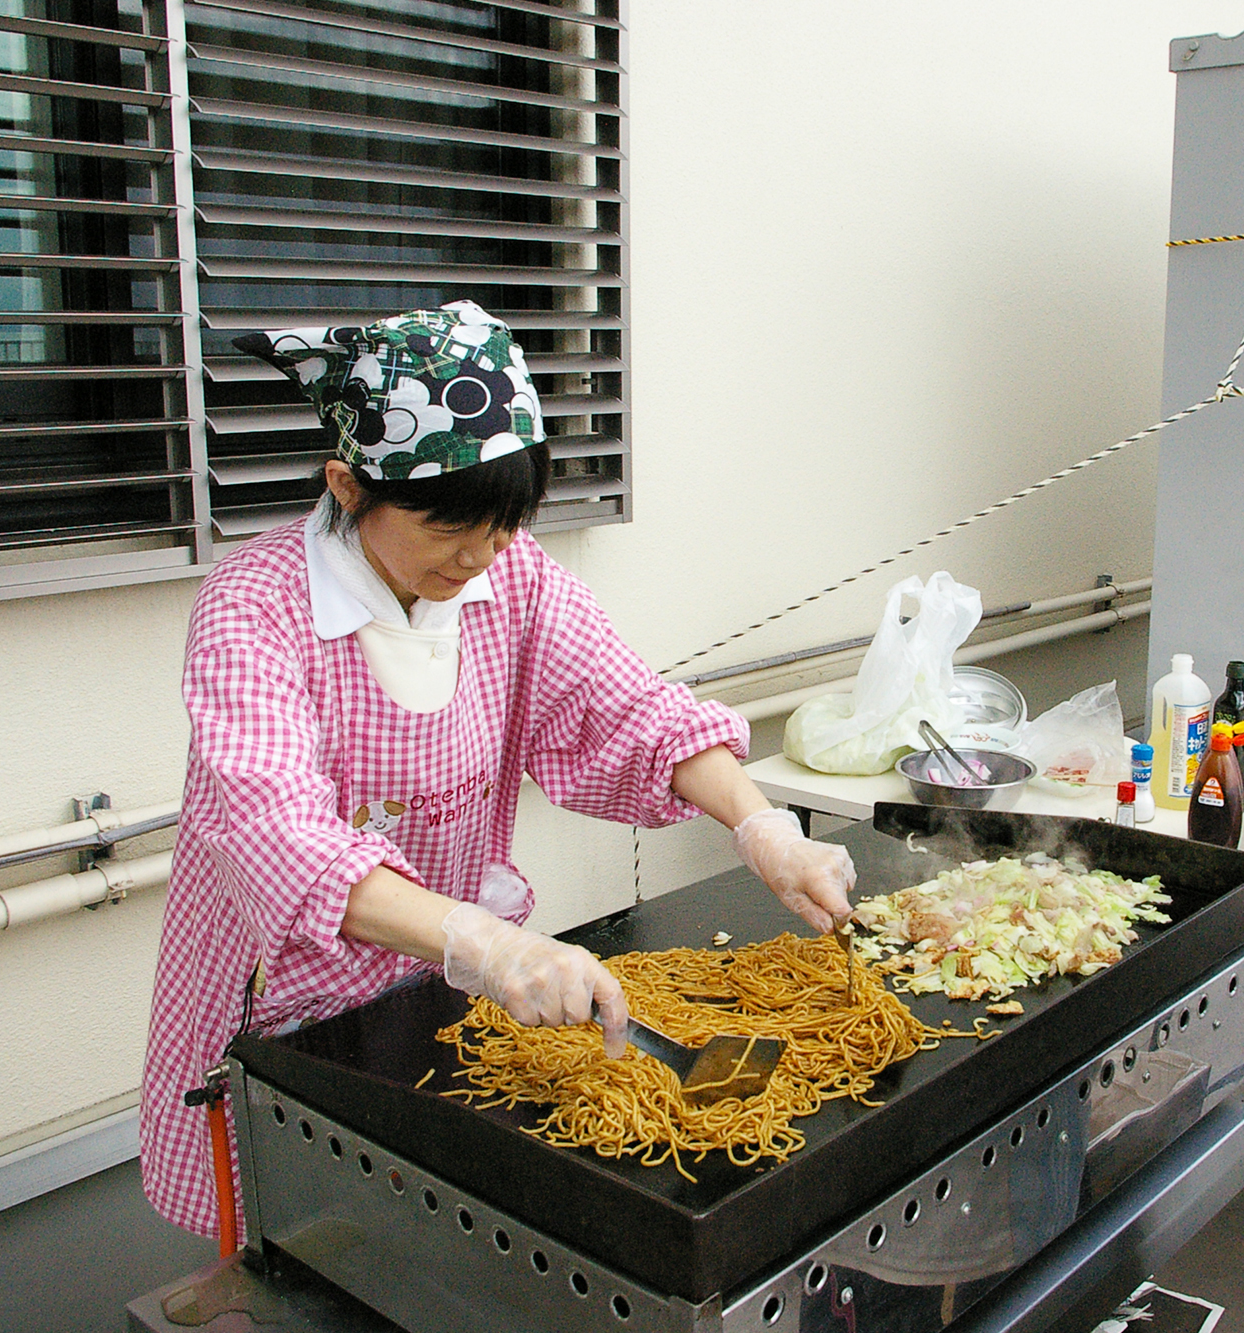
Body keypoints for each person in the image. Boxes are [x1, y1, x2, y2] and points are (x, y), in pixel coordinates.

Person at [140, 301, 854, 1236]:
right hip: (283, 1003)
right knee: (303, 1245)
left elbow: (629, 709)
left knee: (424, 1235)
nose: (478, 558)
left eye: (505, 525)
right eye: (450, 528)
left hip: (439, 987)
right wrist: (491, 944)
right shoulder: (255, 609)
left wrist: (761, 826)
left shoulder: (507, 579)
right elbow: (282, 838)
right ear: (349, 486)